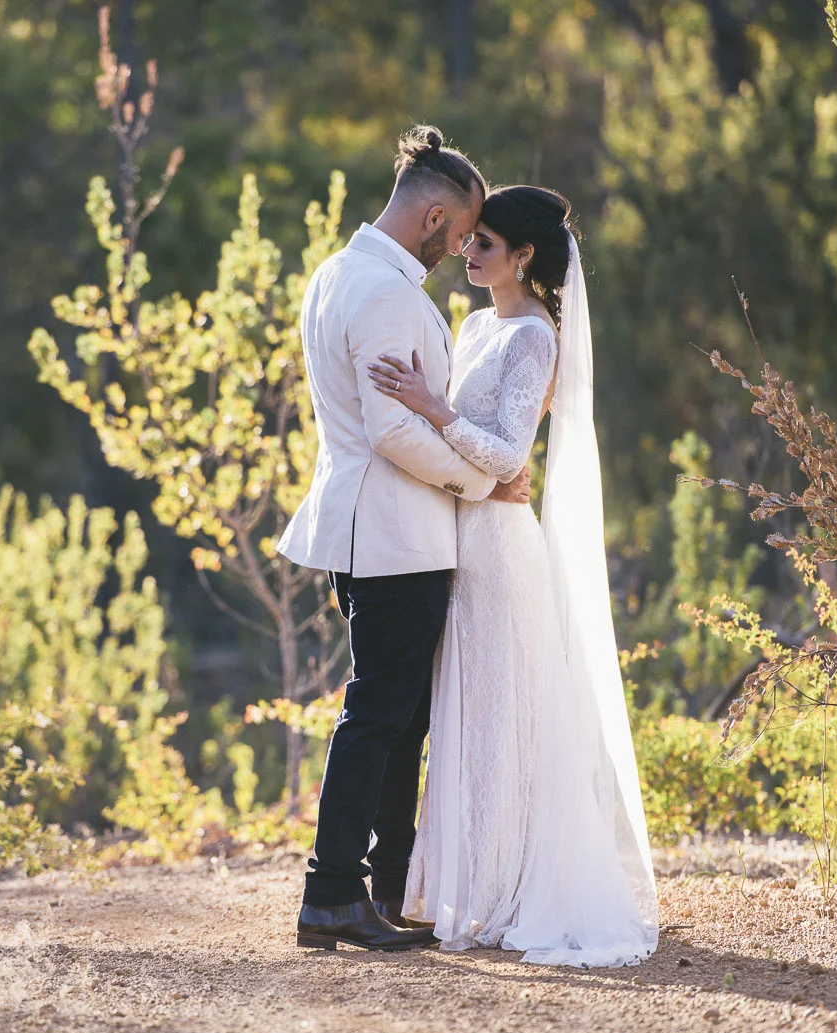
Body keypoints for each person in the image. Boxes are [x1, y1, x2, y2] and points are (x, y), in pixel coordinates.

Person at [368, 185, 658, 966]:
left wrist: (431, 408)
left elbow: (508, 455)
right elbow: (480, 458)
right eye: (471, 240)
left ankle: (505, 891)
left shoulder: (533, 338)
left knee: (498, 714)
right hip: (453, 535)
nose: (468, 251)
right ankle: (460, 884)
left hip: (497, 548)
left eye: (485, 243)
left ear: (524, 258)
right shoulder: (470, 325)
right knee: (461, 714)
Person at [277, 125, 532, 952]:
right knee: (380, 715)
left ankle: (380, 889)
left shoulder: (335, 273)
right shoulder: (386, 292)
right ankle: (332, 894)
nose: (461, 250)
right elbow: (393, 430)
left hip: (369, 530)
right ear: (431, 216)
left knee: (396, 716)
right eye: (461, 234)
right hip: (394, 534)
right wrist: (486, 482)